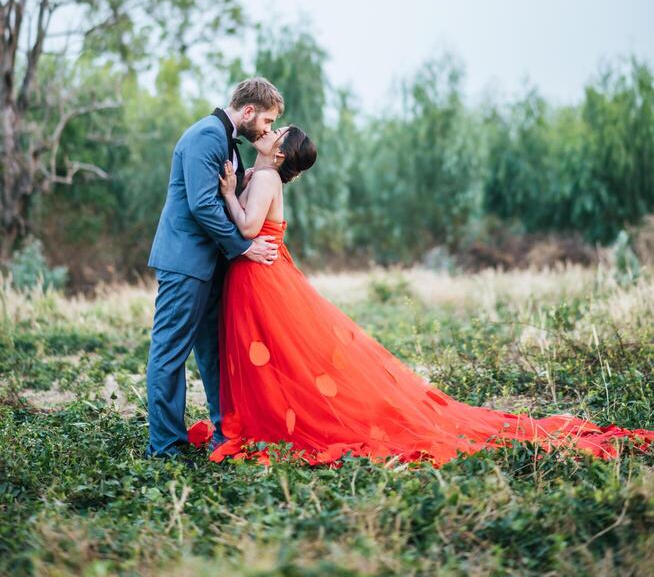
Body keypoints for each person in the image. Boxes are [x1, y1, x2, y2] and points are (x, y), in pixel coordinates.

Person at [189, 125, 654, 468]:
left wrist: (229, 194)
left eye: (278, 132)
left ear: (281, 151)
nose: (269, 132)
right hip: (260, 275)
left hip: (263, 277)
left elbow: (247, 227)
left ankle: (275, 419)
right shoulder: (263, 172)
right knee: (278, 355)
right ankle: (269, 415)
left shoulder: (265, 178)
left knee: (282, 353)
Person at [145, 77, 284, 458]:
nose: (268, 130)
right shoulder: (207, 135)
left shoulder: (227, 141)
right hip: (186, 261)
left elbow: (222, 201)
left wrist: (244, 186)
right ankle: (165, 446)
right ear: (249, 111)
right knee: (170, 352)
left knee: (213, 352)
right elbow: (202, 205)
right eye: (268, 121)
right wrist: (243, 248)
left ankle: (226, 433)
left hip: (211, 266)